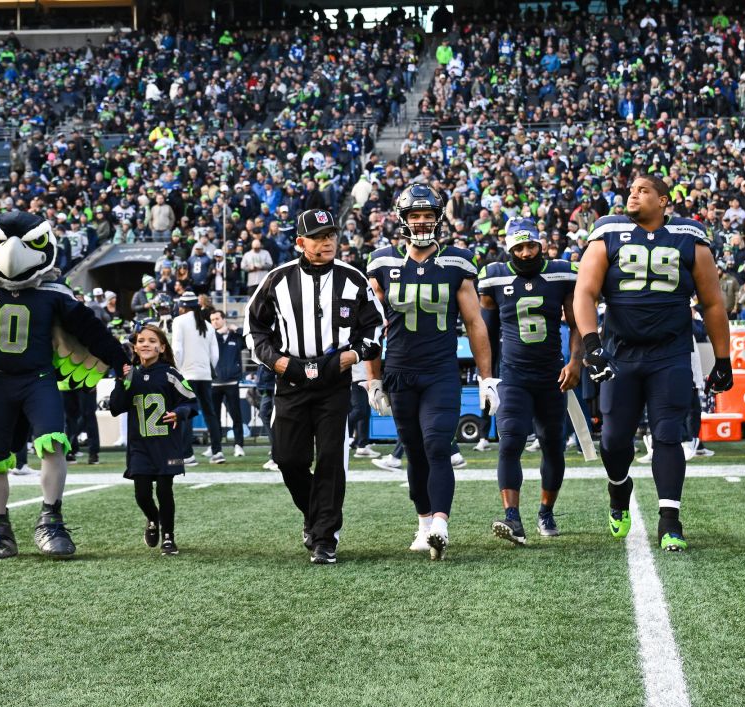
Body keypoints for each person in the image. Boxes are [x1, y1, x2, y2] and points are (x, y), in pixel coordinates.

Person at [0, 211, 129, 560]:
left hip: (40, 379)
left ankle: (51, 518)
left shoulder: (53, 290)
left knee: (52, 445)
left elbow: (89, 329)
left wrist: (122, 360)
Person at [573, 174, 733, 552]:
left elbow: (712, 303)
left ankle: (670, 521)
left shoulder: (690, 237)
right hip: (620, 352)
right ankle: (619, 489)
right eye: (631, 190)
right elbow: (585, 291)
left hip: (670, 353)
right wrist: (592, 344)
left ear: (663, 201)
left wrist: (721, 358)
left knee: (668, 435)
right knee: (613, 440)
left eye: (643, 191)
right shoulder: (608, 231)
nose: (633, 195)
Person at [365, 183, 498, 560]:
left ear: (438, 219)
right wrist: (372, 377)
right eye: (414, 216)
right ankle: (424, 522)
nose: (421, 222)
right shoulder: (383, 264)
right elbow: (369, 327)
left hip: (440, 370)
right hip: (399, 371)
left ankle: (440, 523)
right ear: (403, 220)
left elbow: (475, 323)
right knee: (414, 452)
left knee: (438, 444)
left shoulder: (457, 262)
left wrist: (486, 377)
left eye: (427, 216)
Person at [245, 208, 384, 564]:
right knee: (287, 458)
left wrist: (348, 358)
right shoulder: (276, 279)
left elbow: (375, 329)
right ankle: (313, 513)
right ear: (300, 242)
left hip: (334, 379)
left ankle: (325, 536)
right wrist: (276, 361)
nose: (327, 242)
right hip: (289, 377)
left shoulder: (353, 279)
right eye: (319, 237)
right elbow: (254, 329)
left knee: (330, 459)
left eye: (331, 235)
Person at [477, 217, 581, 544]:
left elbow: (578, 322)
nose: (525, 253)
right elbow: (486, 332)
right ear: (509, 248)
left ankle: (545, 511)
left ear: (540, 244)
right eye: (518, 247)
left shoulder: (561, 272)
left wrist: (576, 362)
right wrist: (488, 377)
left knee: (552, 445)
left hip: (552, 374)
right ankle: (513, 518)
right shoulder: (494, 277)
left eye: (530, 245)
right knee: (510, 441)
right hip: (514, 375)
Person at [108, 324, 196, 556]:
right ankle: (152, 518)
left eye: (152, 340)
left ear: (162, 347)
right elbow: (115, 408)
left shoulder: (170, 373)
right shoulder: (131, 374)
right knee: (142, 494)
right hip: (140, 446)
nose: (146, 344)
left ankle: (168, 536)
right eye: (141, 341)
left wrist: (180, 413)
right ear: (135, 347)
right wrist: (121, 381)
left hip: (166, 444)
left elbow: (190, 401)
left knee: (165, 490)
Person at [170, 293, 219, 465]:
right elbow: (215, 356)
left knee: (186, 414)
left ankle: (188, 455)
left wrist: (177, 369)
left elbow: (177, 349)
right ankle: (217, 451)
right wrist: (206, 369)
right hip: (204, 375)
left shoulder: (179, 321)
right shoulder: (207, 325)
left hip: (186, 375)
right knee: (210, 414)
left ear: (182, 306)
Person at [210, 309, 247, 457]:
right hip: (214, 383)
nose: (215, 322)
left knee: (236, 416)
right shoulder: (211, 337)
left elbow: (250, 339)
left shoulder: (235, 336)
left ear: (223, 319)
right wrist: (219, 333)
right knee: (214, 417)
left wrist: (237, 329)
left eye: (217, 318)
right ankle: (215, 445)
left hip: (231, 382)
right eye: (212, 320)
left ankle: (238, 445)